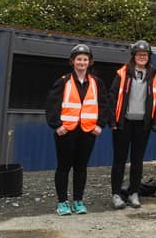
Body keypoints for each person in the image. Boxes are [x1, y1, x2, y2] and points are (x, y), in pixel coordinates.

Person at [45, 44, 109, 216]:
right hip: (66, 131)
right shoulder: (64, 80)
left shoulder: (97, 83)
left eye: (85, 59)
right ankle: (62, 202)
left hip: (88, 131)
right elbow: (52, 104)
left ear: (90, 62)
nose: (82, 62)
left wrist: (100, 125)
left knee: (81, 167)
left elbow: (104, 104)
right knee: (63, 167)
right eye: (79, 59)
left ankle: (78, 201)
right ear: (72, 61)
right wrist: (56, 125)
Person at [108, 40, 156, 210]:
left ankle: (133, 193)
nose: (142, 57)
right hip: (124, 123)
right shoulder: (123, 73)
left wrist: (155, 122)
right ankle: (116, 193)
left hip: (142, 125)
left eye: (145, 55)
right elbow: (112, 96)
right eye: (139, 54)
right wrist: (113, 120)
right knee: (119, 160)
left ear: (148, 57)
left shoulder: (154, 75)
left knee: (137, 161)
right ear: (134, 56)